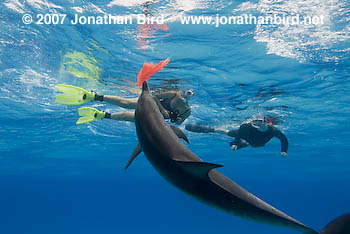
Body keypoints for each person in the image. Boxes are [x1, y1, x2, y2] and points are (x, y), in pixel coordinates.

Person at [56, 84, 193, 125]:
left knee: (126, 116)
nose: (184, 96)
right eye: (184, 92)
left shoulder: (187, 111)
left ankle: (103, 115)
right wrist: (163, 110)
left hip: (156, 118)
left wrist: (178, 119)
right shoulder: (172, 94)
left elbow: (179, 123)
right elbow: (154, 96)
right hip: (150, 104)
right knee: (126, 103)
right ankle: (95, 96)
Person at [185, 117, 288, 157]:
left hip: (258, 143)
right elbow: (239, 136)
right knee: (227, 132)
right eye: (255, 120)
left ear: (266, 123)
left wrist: (284, 150)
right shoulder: (247, 126)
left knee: (246, 144)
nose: (256, 123)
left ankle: (243, 144)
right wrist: (235, 143)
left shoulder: (273, 130)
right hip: (246, 136)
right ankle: (209, 129)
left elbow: (283, 139)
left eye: (259, 121)